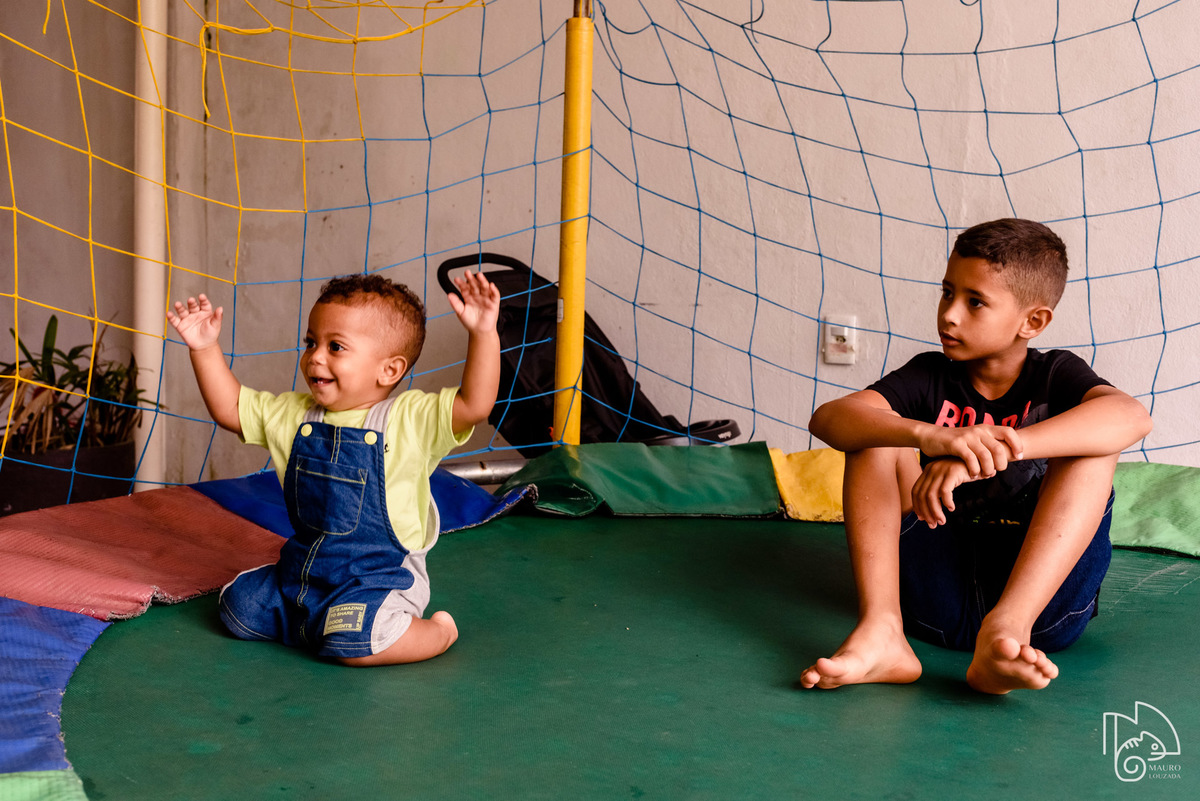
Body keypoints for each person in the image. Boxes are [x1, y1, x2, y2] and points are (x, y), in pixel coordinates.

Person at [799, 218, 1153, 694]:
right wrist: (933, 438)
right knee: (873, 432)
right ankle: (882, 632)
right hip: (935, 593)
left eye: (975, 302)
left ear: (1033, 321)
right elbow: (829, 419)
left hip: (1039, 614)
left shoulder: (1055, 375)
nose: (949, 314)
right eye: (947, 293)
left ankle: (1004, 633)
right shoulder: (930, 376)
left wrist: (993, 449)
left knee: (1094, 447)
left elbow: (1131, 417)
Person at [168, 271, 500, 666]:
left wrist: (483, 334)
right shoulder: (294, 414)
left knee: (354, 644)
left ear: (389, 370)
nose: (315, 356)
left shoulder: (410, 418)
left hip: (377, 577)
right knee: (237, 608)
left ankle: (438, 631)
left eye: (336, 346)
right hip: (306, 571)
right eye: (312, 342)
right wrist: (204, 348)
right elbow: (230, 409)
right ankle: (311, 618)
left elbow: (475, 405)